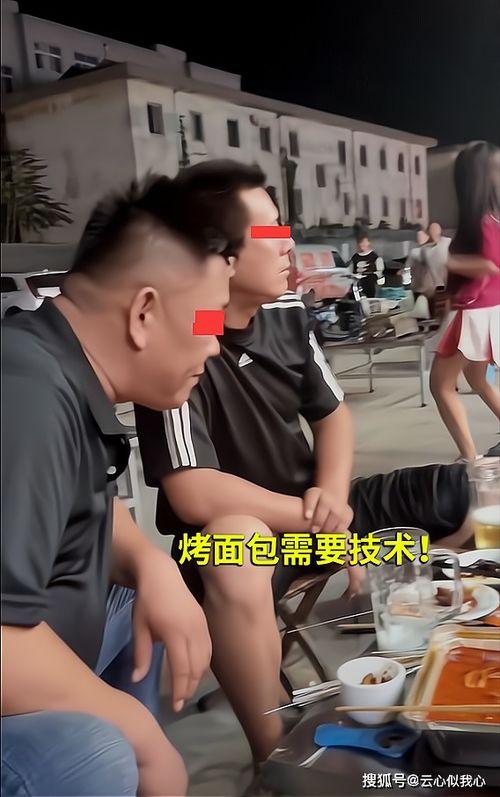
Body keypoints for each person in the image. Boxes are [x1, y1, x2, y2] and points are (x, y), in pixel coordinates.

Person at [135, 169, 471, 763]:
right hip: (248, 543)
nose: (289, 244)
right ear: (219, 256)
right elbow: (192, 491)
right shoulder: (179, 342)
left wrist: (333, 498)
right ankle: (277, 761)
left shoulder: (286, 311)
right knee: (235, 547)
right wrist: (318, 520)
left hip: (319, 514)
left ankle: (443, 664)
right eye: (270, 232)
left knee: (468, 491)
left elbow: (333, 416)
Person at [1, 163, 257, 796]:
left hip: (54, 622)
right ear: (144, 312)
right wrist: (140, 736)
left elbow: (80, 506)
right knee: (100, 754)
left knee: (159, 613)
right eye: (207, 321)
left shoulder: (59, 366)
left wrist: (151, 565)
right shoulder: (26, 392)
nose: (215, 345)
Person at [430, 141, 500, 461]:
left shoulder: (482, 222)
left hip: (474, 310)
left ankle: (470, 460)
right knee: (476, 379)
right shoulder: (492, 220)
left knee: (441, 386)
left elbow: (490, 265)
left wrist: (451, 261)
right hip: (488, 310)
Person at [347, 228, 385, 297]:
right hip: (357, 283)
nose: (362, 244)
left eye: (364, 242)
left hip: (370, 283)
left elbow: (380, 273)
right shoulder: (355, 257)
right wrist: (354, 276)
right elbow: (350, 271)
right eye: (360, 242)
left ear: (369, 242)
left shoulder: (375, 257)